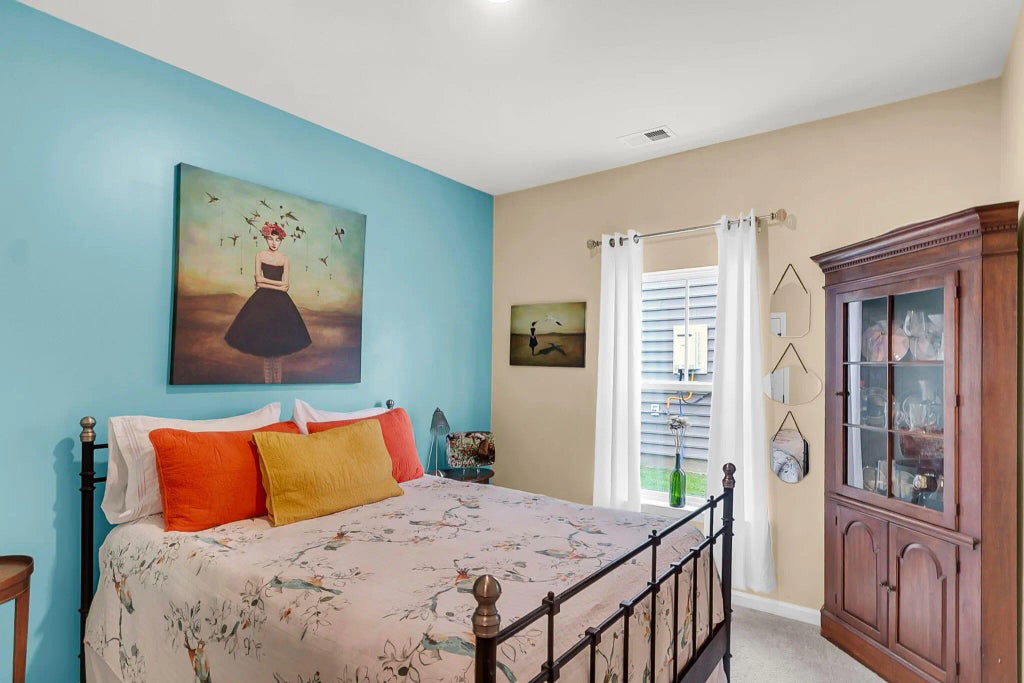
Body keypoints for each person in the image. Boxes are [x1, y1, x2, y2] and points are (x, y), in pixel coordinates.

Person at [225, 222, 311, 383]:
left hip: (281, 306)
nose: (274, 243)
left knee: (277, 353)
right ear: (265, 238)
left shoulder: (284, 258)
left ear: (281, 241)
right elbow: (259, 281)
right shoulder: (260, 255)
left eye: (277, 240)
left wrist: (266, 283)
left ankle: (277, 385)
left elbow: (286, 286)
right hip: (262, 304)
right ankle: (267, 385)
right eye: (270, 239)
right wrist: (275, 284)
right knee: (266, 350)